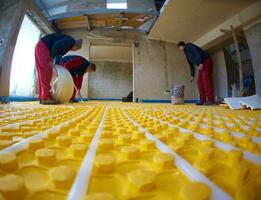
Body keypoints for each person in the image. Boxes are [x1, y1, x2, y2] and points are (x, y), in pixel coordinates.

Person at [35, 33, 83, 105]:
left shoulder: (68, 45)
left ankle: (42, 97)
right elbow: (56, 46)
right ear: (76, 45)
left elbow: (58, 55)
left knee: (42, 73)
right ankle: (45, 97)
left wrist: (56, 65)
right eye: (76, 49)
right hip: (44, 47)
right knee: (46, 73)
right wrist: (51, 59)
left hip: (41, 46)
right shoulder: (70, 41)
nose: (75, 51)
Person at [178, 41, 214, 105]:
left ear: (181, 45)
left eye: (179, 47)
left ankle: (210, 100)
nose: (179, 49)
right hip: (201, 65)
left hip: (205, 61)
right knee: (199, 83)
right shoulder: (186, 53)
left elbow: (196, 52)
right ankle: (202, 101)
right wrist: (192, 75)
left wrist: (200, 62)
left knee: (205, 80)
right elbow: (191, 64)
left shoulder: (189, 45)